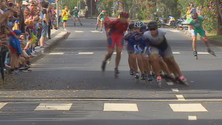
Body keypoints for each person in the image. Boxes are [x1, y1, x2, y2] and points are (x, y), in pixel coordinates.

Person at [143, 21, 188, 86]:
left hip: (164, 46)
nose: (153, 31)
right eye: (151, 30)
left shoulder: (162, 32)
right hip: (153, 46)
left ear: (157, 29)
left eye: (154, 29)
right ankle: (158, 75)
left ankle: (180, 75)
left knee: (170, 60)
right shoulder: (146, 34)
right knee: (154, 59)